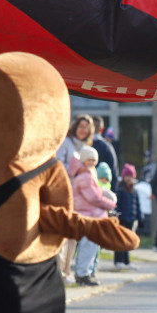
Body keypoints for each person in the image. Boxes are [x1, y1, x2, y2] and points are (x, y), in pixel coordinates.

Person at [55, 114, 94, 280]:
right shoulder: (66, 143)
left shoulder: (86, 147)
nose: (83, 130)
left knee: (73, 237)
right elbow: (58, 164)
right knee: (63, 234)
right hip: (65, 193)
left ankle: (66, 271)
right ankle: (57, 272)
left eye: (86, 128)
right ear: (75, 127)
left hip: (80, 197)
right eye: (81, 126)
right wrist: (76, 170)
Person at [72, 146, 117, 286]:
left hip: (91, 214)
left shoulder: (90, 174)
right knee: (88, 245)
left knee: (92, 246)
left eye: (93, 160)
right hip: (87, 215)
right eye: (88, 160)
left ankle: (87, 272)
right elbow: (93, 197)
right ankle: (82, 273)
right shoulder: (84, 176)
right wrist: (110, 204)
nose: (91, 163)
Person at [114, 164, 141, 269]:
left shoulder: (135, 191)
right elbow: (117, 205)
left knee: (129, 241)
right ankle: (118, 261)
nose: (129, 178)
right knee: (120, 240)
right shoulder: (120, 190)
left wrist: (139, 217)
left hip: (131, 219)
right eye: (127, 176)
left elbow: (137, 206)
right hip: (122, 219)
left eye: (131, 176)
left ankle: (127, 261)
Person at [91, 116, 119, 191]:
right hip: (104, 191)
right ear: (102, 129)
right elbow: (114, 171)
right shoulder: (107, 147)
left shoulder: (83, 145)